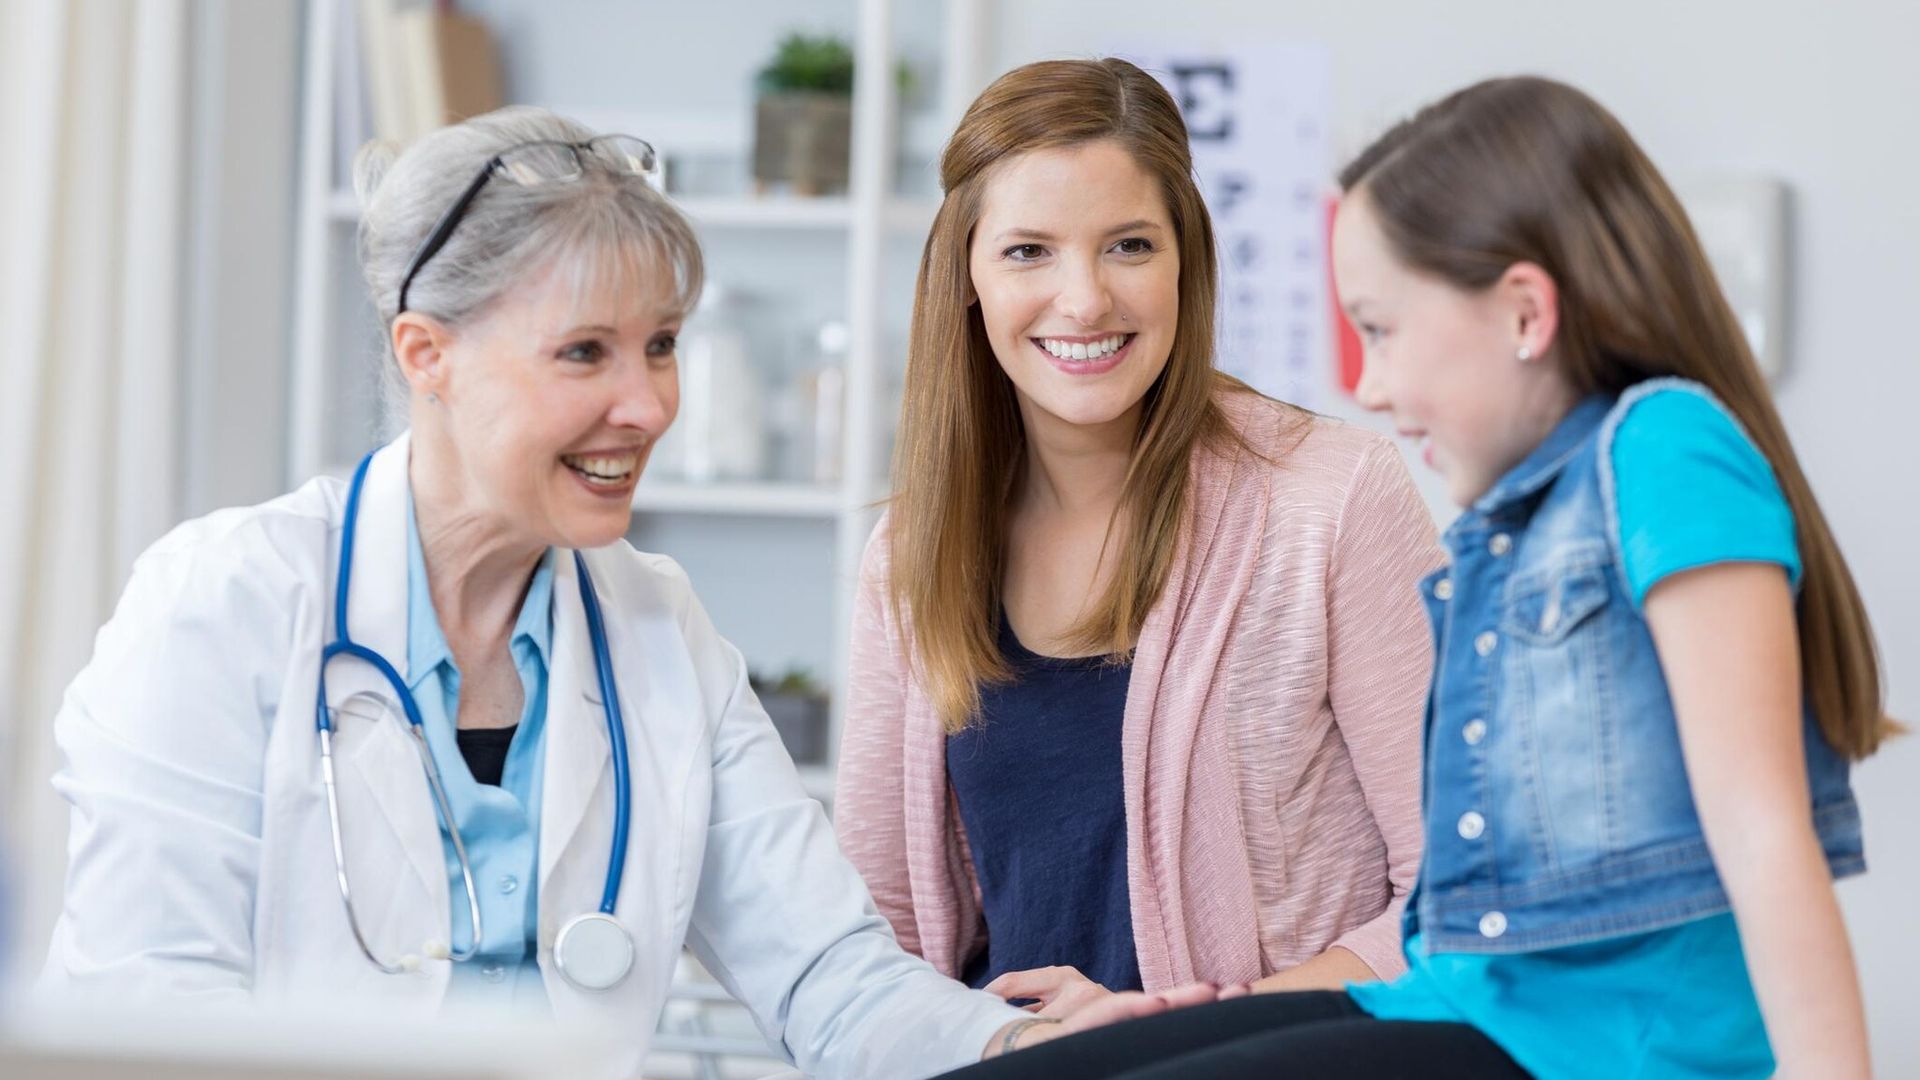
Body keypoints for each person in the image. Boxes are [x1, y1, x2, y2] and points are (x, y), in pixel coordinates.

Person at [38, 106, 1221, 1078]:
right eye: (585, 353)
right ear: (425, 356)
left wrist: (1023, 1042)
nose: (649, 406)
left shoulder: (657, 631)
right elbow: (143, 1021)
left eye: (661, 346)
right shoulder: (226, 606)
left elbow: (826, 976)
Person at [940, 74, 1894, 1080]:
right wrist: (1209, 1011)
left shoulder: (1668, 449)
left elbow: (1764, 830)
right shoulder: (1512, 523)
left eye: (1383, 329)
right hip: (1450, 999)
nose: (1369, 385)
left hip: (1600, 1047)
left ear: (1525, 312)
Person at [835, 56, 1440, 1021]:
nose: (1084, 301)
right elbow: (876, 938)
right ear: (967, 278)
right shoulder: (910, 558)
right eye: (1029, 251)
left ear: (1184, 262)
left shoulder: (1331, 500)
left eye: (1128, 246)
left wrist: (1178, 1027)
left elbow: (1457, 905)